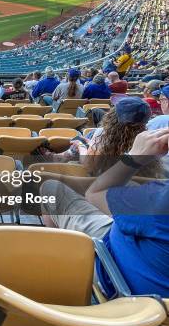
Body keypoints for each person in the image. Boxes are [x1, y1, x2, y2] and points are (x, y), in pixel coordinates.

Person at [41, 127, 169, 297]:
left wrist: (134, 157)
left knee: (51, 188)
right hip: (152, 271)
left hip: (116, 276)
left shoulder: (158, 198)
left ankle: (58, 261)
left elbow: (94, 193)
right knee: (129, 186)